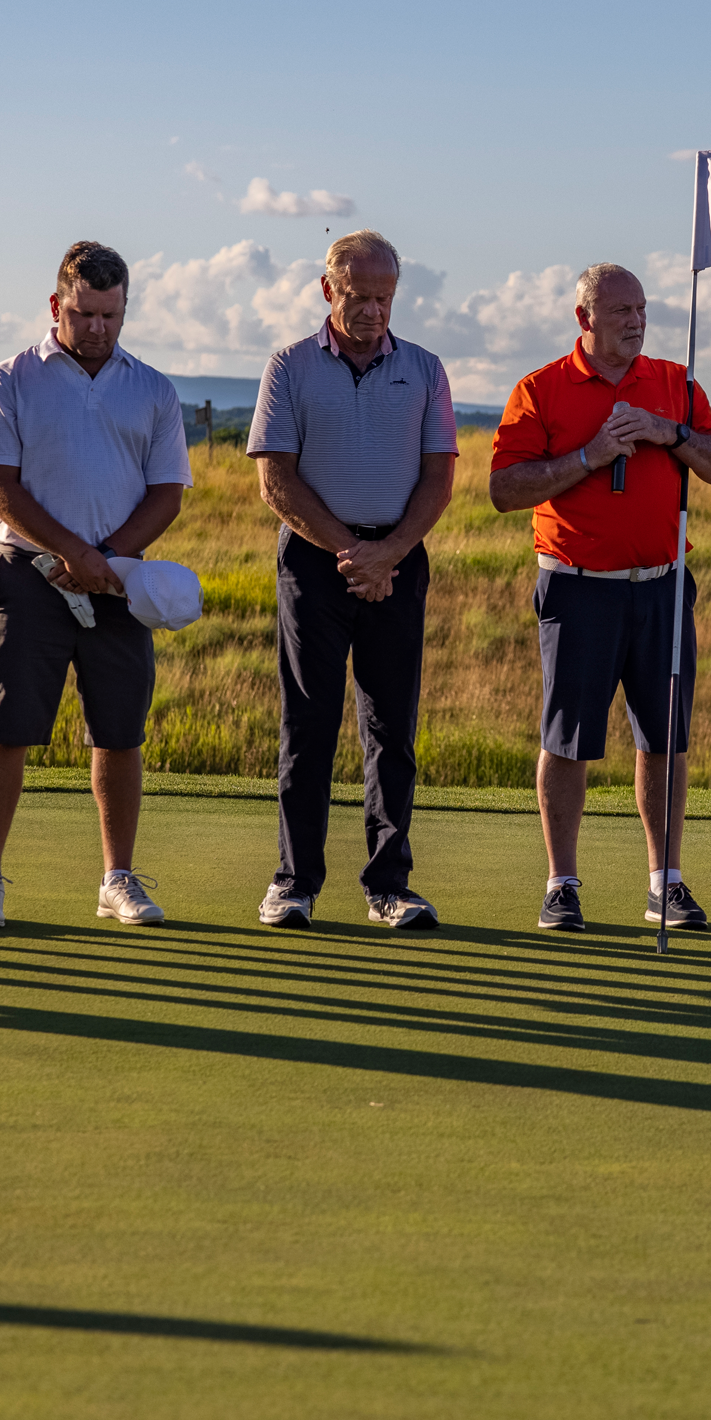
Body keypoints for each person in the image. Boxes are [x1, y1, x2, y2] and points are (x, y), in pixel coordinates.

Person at [488, 264, 711, 932]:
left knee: (664, 738)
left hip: (660, 587)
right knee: (568, 740)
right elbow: (506, 487)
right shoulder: (540, 390)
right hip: (577, 589)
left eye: (642, 308)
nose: (636, 320)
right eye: (621, 310)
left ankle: (666, 881)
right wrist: (588, 457)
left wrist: (673, 433)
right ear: (585, 317)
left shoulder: (673, 384)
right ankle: (562, 883)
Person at [0, 241, 190, 932]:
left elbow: (167, 492)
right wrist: (71, 552)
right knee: (7, 730)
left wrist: (106, 558)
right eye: (85, 313)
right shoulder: (11, 379)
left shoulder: (152, 388)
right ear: (57, 305)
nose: (98, 328)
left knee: (119, 734)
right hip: (29, 576)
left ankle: (117, 876)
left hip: (120, 584)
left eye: (111, 315)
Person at [247, 230, 458, 930]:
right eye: (360, 297)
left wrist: (389, 552)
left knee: (391, 727)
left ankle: (390, 885)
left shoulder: (425, 368)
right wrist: (349, 552)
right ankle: (294, 882)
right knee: (308, 724)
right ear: (327, 289)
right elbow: (275, 477)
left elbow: (438, 478)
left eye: (385, 298)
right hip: (315, 559)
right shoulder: (291, 365)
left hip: (398, 559)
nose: (373, 311)